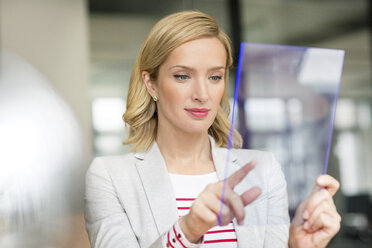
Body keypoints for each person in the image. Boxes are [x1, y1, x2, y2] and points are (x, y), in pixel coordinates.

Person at [85, 10, 341, 248]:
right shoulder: (110, 177)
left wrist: (294, 245)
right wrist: (187, 229)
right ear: (151, 84)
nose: (202, 94)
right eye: (183, 76)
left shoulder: (264, 170)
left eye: (215, 77)